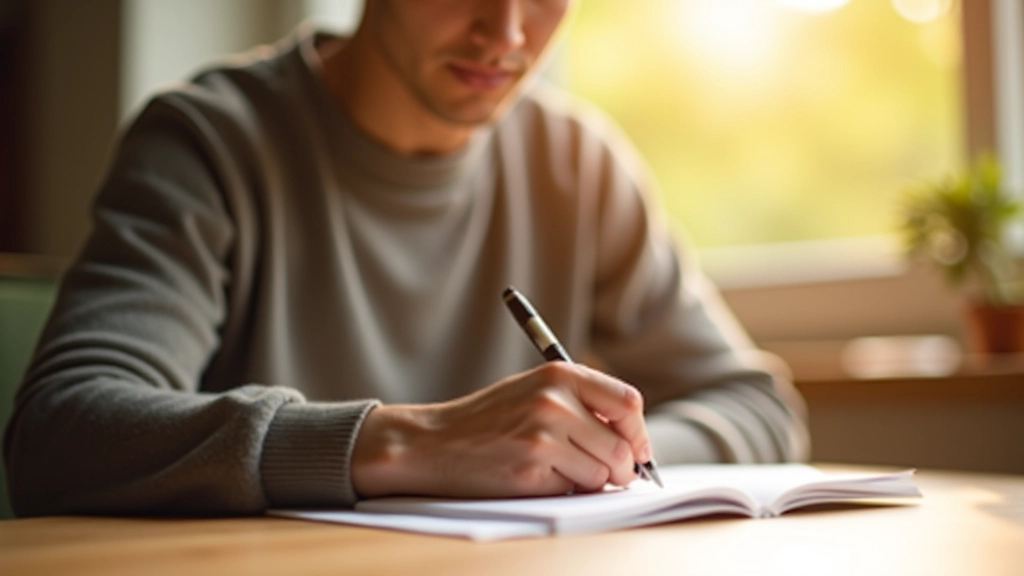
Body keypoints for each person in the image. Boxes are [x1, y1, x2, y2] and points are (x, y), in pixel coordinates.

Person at [4, 0, 809, 516]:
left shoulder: (578, 163)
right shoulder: (210, 141)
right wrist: (408, 443)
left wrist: (600, 459)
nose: (507, 31)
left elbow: (759, 406)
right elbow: (62, 429)